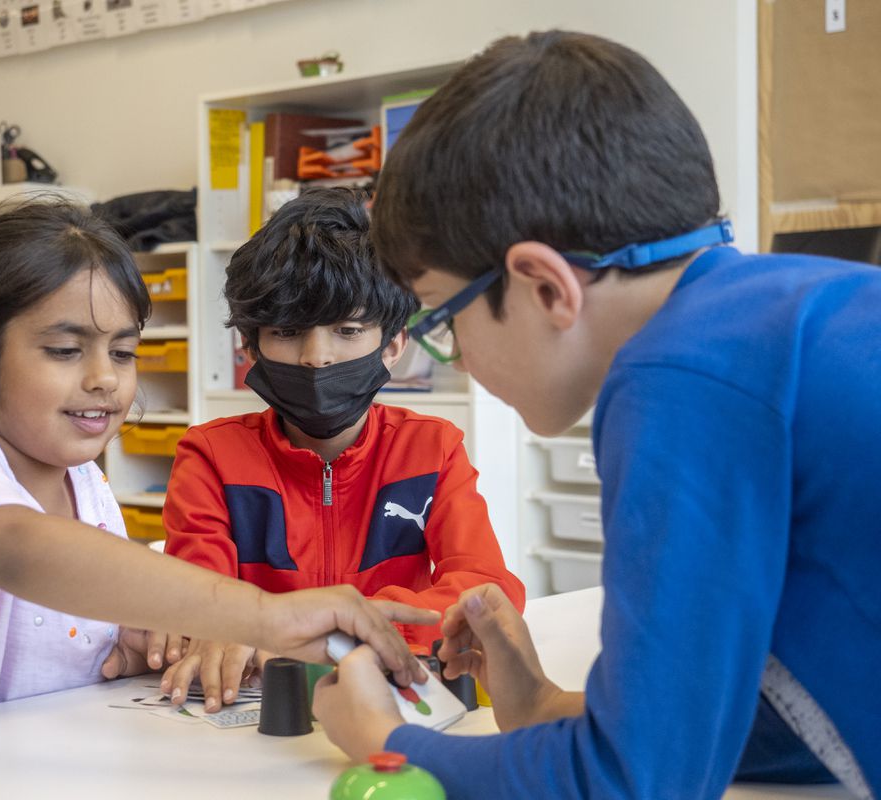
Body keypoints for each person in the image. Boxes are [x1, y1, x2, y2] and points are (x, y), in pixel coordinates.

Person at [312, 30, 880, 799]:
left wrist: (386, 741)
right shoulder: (793, 310)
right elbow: (803, 725)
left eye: (444, 320)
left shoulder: (681, 377)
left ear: (545, 286)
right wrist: (547, 708)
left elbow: (634, 786)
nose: (461, 358)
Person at [0, 198, 437, 725]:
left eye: (122, 352)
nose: (104, 378)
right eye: (65, 351)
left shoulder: (87, 484)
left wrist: (137, 647)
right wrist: (265, 617)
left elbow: (77, 644)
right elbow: (19, 551)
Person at [160, 187, 524, 711]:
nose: (317, 358)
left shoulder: (434, 449)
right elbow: (199, 601)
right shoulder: (210, 456)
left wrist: (342, 627)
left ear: (393, 345)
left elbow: (488, 591)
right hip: (263, 714)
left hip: (391, 703)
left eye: (348, 330)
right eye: (286, 331)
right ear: (249, 345)